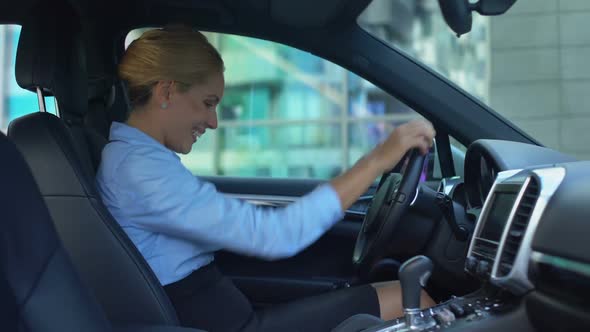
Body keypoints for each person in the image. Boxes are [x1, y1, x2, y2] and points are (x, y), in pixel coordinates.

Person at [96, 26, 436, 332]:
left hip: (225, 313)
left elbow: (219, 223)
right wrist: (375, 161)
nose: (213, 122)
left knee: (392, 294)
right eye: (207, 103)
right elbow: (275, 237)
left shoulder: (141, 160)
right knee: (409, 299)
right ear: (167, 92)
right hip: (229, 324)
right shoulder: (139, 170)